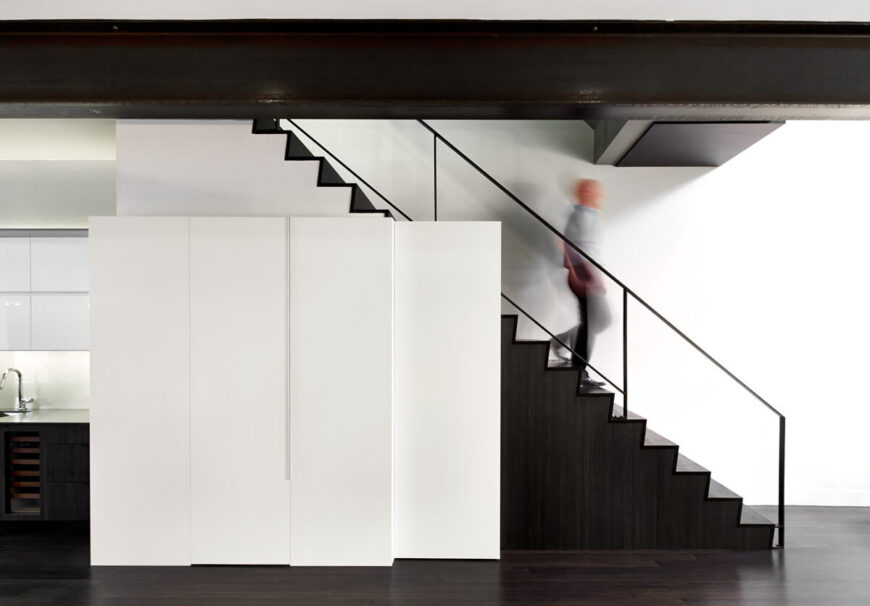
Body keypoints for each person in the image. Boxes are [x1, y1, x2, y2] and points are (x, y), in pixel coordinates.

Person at [553, 179, 611, 385]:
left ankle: (561, 341)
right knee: (592, 322)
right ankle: (579, 371)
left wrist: (598, 275)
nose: (600, 195)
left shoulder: (592, 215)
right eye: (595, 191)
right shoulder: (578, 215)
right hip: (582, 270)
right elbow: (565, 244)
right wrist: (575, 272)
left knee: (601, 320)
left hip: (591, 271)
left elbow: (591, 249)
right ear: (584, 192)